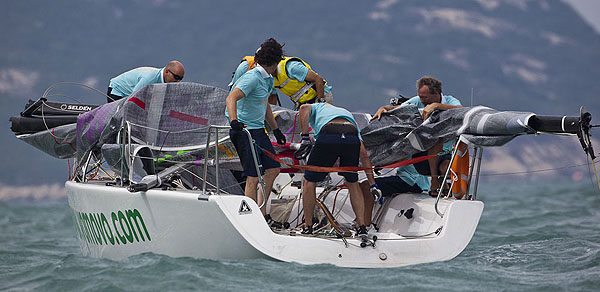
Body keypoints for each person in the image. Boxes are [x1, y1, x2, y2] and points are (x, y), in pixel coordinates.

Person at [225, 38, 287, 225]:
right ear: (275, 62)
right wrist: (235, 122)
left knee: (273, 169)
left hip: (259, 130)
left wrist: (276, 130)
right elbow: (231, 98)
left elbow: (265, 105)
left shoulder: (267, 79)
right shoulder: (252, 77)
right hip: (244, 131)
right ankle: (250, 221)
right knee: (252, 176)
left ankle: (261, 214)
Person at [294, 102, 377, 237]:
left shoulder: (317, 107)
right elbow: (364, 155)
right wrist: (373, 184)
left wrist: (304, 137)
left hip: (329, 133)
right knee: (352, 181)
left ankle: (308, 226)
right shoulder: (346, 113)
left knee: (309, 181)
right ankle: (361, 227)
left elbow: (303, 108)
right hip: (351, 135)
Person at [371, 76, 462, 195]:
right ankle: (437, 182)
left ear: (436, 94)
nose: (422, 100)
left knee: (435, 140)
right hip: (422, 157)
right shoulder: (417, 101)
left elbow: (460, 109)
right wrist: (383, 109)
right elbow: (397, 109)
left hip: (444, 155)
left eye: (424, 97)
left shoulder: (450, 101)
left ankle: (438, 181)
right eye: (420, 97)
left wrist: (436, 106)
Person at [230, 51, 333, 109]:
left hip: (319, 96)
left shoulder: (291, 67)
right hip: (302, 102)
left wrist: (321, 103)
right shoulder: (266, 75)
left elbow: (318, 79)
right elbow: (271, 97)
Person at [106, 60, 185, 102]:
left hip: (128, 95)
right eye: (176, 77)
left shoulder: (165, 82)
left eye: (180, 79)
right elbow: (134, 98)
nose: (178, 81)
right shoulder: (150, 78)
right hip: (117, 92)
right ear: (167, 72)